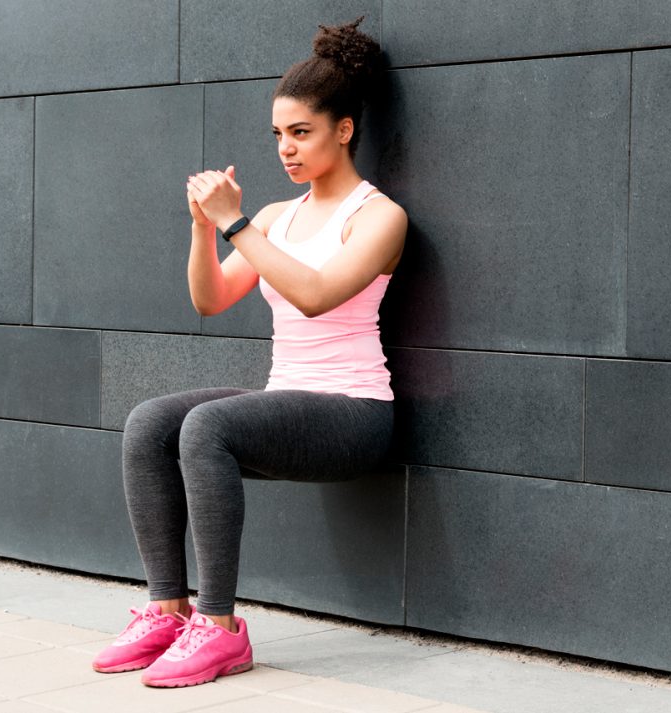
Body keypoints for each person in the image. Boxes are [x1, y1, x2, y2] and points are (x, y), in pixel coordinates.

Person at [90, 18, 406, 688]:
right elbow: (210, 299)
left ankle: (221, 627)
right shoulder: (273, 217)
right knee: (151, 423)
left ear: (344, 130)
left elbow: (315, 294)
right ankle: (168, 610)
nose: (286, 148)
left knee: (207, 427)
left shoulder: (379, 216)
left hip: (354, 412)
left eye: (302, 132)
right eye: (278, 134)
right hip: (287, 399)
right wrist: (204, 230)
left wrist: (235, 221)